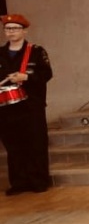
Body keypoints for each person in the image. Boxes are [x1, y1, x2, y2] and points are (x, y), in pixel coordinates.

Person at [0, 14, 53, 195]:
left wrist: (27, 77)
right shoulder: (0, 53)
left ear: (24, 31)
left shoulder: (36, 51)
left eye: (15, 28)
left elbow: (47, 74)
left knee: (36, 142)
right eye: (8, 29)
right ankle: (19, 182)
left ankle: (39, 180)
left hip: (31, 105)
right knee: (13, 145)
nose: (11, 32)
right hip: (6, 107)